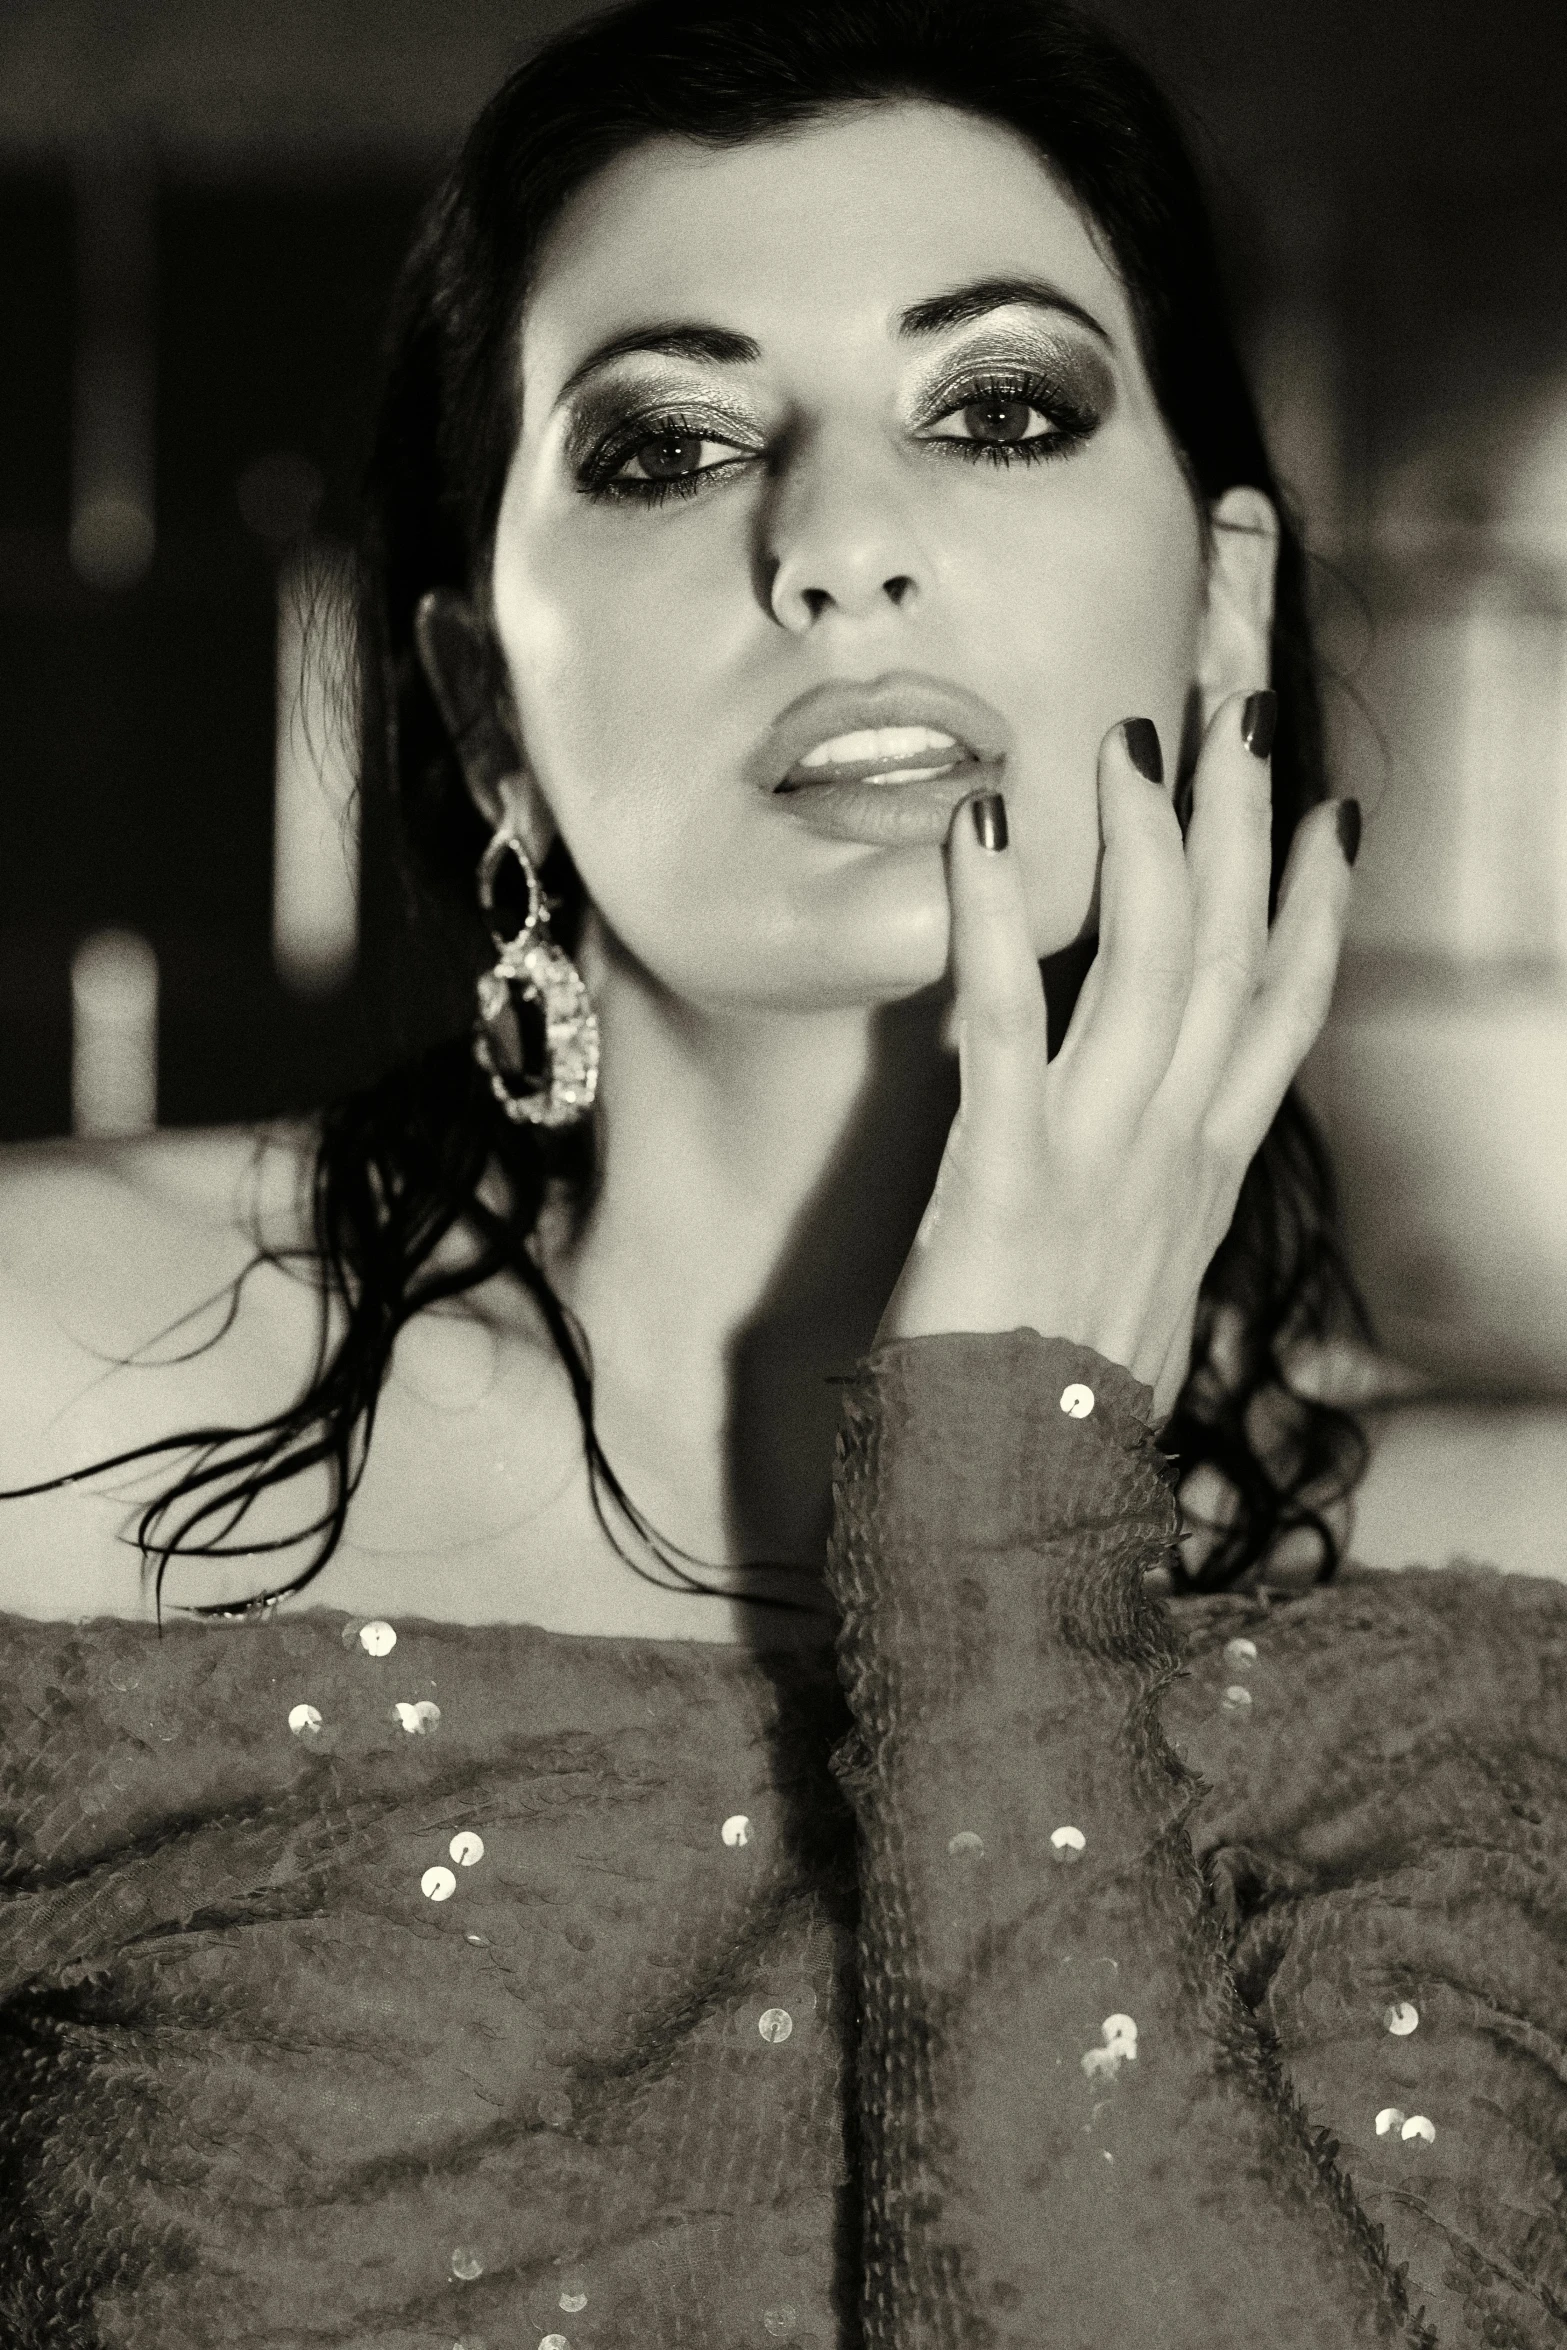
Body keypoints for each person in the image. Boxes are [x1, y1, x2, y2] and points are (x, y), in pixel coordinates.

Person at [0, 0, 1561, 2342]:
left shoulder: (1507, 1579)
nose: (838, 545)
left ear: (1227, 601)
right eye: (665, 444)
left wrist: (1008, 1488)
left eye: (1000, 410)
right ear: (479, 692)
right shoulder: (42, 1386)